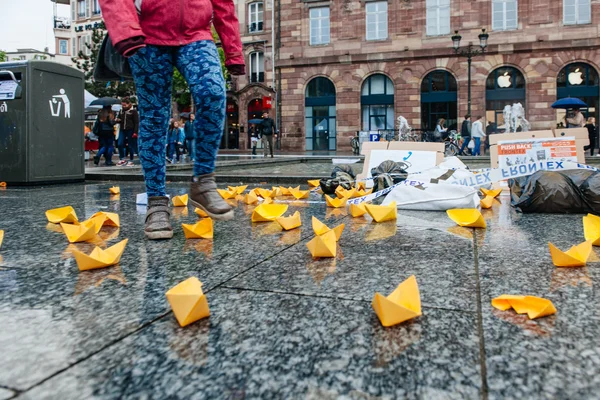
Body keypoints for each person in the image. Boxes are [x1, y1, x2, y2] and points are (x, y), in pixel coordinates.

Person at [100, 0, 245, 239]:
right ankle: (156, 202)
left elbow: (224, 3)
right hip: (146, 33)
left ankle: (204, 181)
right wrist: (125, 29)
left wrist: (233, 50)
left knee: (212, 93)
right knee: (155, 117)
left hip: (196, 32)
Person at [116, 97, 139, 167]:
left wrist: (135, 132)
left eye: (124, 105)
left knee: (130, 145)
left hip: (130, 129)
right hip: (123, 129)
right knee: (119, 143)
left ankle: (131, 159)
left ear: (129, 104)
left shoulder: (133, 111)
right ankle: (122, 158)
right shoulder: (121, 111)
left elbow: (136, 122)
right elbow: (119, 119)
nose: (123, 107)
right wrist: (118, 120)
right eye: (122, 105)